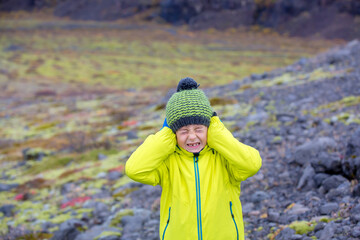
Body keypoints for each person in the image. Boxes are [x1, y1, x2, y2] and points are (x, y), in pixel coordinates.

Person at [125, 77, 262, 240]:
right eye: (183, 131)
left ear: (209, 129)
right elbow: (134, 169)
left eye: (198, 129)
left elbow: (252, 164)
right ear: (173, 133)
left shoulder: (225, 158)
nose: (191, 137)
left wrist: (217, 133)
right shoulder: (169, 162)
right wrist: (165, 136)